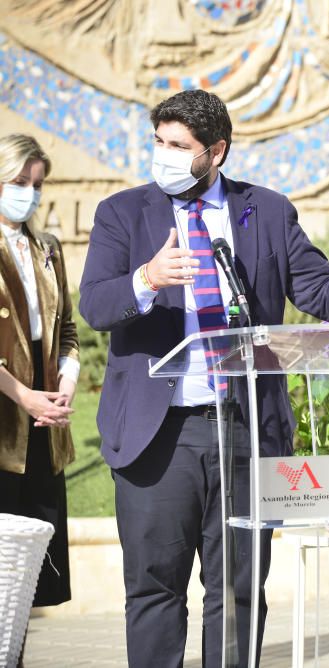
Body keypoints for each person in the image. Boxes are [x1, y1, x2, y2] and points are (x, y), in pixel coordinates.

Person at [78, 89, 329, 667]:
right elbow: (93, 305)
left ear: (216, 151)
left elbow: (319, 295)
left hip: (243, 430)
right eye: (158, 142)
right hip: (155, 435)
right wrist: (147, 278)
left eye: (177, 146)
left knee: (239, 591)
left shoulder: (265, 211)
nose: (162, 154)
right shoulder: (122, 213)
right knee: (155, 588)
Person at [0, 134, 79, 666]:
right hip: (6, 417)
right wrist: (23, 396)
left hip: (43, 427)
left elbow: (67, 331)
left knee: (24, 574)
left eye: (36, 184)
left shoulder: (48, 247)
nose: (28, 194)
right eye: (18, 183)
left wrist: (67, 381)